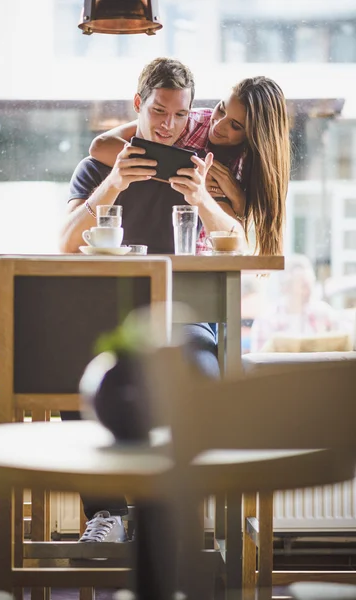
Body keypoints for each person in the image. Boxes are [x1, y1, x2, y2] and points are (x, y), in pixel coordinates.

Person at [59, 57, 238, 544]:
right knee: (76, 370)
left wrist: (202, 200)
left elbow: (237, 241)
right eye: (159, 111)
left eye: (181, 115)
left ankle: (164, 512)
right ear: (138, 105)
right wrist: (114, 183)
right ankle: (107, 511)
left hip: (186, 315)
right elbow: (66, 242)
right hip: (112, 316)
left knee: (199, 377)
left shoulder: (199, 171)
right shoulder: (99, 166)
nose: (170, 125)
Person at [88, 75, 291, 256]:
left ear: (252, 136)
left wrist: (239, 199)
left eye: (235, 126)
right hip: (160, 241)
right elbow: (100, 146)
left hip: (202, 257)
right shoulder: (190, 121)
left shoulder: (247, 164)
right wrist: (183, 172)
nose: (218, 124)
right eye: (221, 109)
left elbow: (231, 240)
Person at [250, 254, 343, 352]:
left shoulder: (324, 314)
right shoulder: (267, 320)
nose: (308, 291)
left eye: (310, 284)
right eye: (303, 285)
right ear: (285, 288)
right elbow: (259, 362)